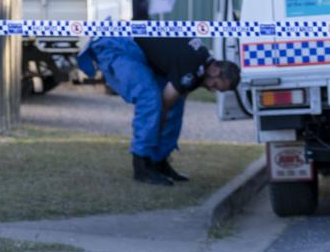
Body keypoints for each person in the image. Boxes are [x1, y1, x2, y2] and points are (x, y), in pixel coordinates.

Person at [78, 36, 240, 185]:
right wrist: (155, 133)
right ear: (215, 71)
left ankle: (159, 162)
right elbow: (163, 106)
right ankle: (142, 165)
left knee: (176, 104)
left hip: (138, 53)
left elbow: (174, 100)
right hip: (117, 46)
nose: (212, 89)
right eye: (216, 86)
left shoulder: (201, 65)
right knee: (150, 99)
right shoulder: (193, 66)